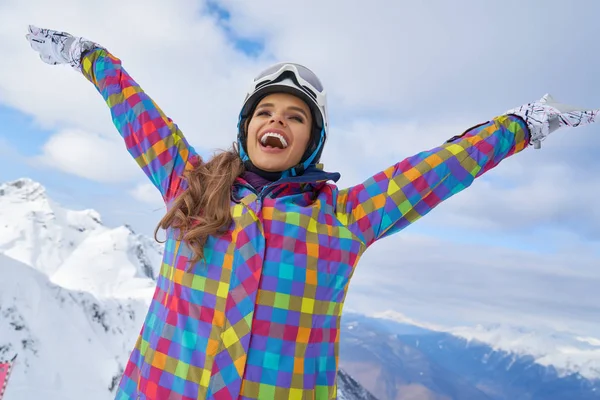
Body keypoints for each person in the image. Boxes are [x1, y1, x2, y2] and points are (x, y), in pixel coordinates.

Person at [25, 25, 599, 400]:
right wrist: (89, 57)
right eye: (265, 111)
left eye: (296, 117)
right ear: (247, 128)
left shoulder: (342, 219)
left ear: (312, 142)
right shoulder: (192, 186)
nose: (277, 121)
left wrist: (519, 127)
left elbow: (435, 172)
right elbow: (137, 113)